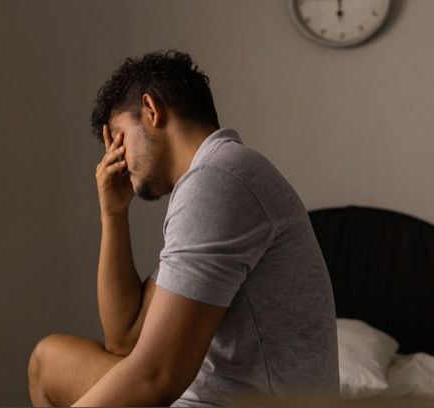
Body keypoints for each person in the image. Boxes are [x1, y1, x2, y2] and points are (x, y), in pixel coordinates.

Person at [27, 50, 338, 407]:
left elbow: (157, 377)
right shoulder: (217, 178)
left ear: (151, 109)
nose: (119, 160)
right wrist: (113, 215)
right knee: (48, 360)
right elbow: (125, 338)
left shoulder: (218, 180)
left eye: (119, 137)